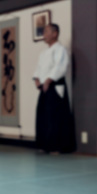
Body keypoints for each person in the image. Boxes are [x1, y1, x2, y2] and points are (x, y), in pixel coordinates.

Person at [33, 23, 76, 154]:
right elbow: (39, 68)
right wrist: (37, 79)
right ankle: (44, 144)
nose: (44, 35)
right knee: (42, 115)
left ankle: (56, 146)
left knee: (55, 117)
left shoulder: (60, 49)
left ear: (55, 33)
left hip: (55, 86)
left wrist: (49, 79)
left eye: (46, 32)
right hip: (44, 87)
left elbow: (60, 67)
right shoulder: (43, 53)